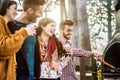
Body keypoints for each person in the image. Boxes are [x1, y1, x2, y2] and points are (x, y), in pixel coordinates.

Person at [0, 0, 36, 80]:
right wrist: (24, 32)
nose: (16, 12)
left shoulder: (8, 25)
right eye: (14, 8)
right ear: (6, 8)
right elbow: (2, 47)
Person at [13, 0, 45, 80]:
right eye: (40, 12)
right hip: (18, 75)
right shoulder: (12, 27)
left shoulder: (33, 28)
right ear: (30, 10)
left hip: (32, 74)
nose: (42, 15)